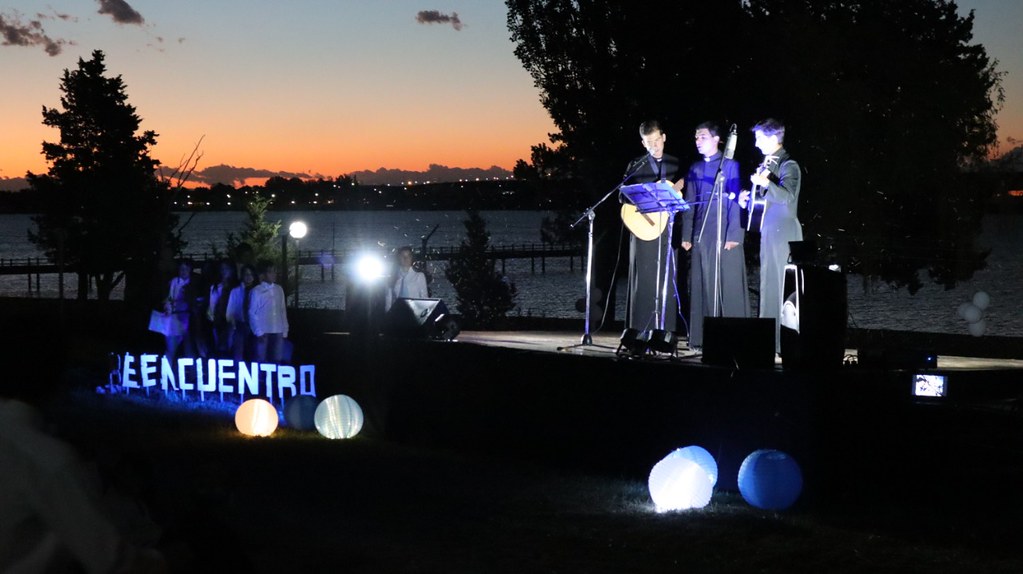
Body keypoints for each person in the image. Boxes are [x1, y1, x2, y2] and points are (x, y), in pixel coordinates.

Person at [680, 121, 750, 350]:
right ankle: (701, 339)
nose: (697, 141)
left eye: (702, 137)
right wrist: (687, 235)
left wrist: (734, 234)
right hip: (702, 233)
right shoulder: (695, 168)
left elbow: (736, 200)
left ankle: (732, 340)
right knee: (701, 284)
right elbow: (690, 204)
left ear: (717, 139)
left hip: (724, 231)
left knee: (725, 285)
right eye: (696, 137)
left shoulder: (730, 165)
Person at [739, 118, 803, 352]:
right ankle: (768, 342)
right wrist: (746, 200)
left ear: (774, 138)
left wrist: (765, 182)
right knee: (768, 285)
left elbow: (787, 197)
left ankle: (785, 343)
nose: (756, 144)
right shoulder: (766, 164)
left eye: (759, 138)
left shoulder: (789, 165)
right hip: (769, 231)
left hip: (784, 232)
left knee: (782, 287)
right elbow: (763, 202)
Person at [621, 120, 683, 333]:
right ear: (643, 143)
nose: (654, 146)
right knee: (645, 280)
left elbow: (686, 194)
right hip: (643, 228)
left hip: (668, 228)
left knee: (667, 279)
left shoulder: (676, 164)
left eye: (657, 140)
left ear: (664, 137)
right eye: (649, 143)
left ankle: (666, 331)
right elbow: (622, 195)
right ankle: (639, 331)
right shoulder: (636, 164)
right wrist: (644, 197)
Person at [248, 260, 289, 363]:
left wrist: (285, 330)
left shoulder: (279, 289)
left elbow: (282, 310)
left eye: (275, 271)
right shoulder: (256, 291)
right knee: (261, 361)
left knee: (277, 361)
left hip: (278, 331)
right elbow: (252, 312)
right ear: (263, 275)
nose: (274, 274)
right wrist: (258, 331)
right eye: (270, 272)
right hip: (263, 332)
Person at [163, 260, 196, 366]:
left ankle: (193, 372)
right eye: (181, 269)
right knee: (171, 347)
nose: (183, 271)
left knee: (189, 347)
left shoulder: (194, 282)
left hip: (188, 318)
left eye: (186, 269)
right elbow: (169, 298)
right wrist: (168, 309)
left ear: (190, 269)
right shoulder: (174, 282)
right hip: (174, 317)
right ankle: (167, 370)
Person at [226, 263, 257, 361]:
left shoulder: (257, 291)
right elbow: (230, 311)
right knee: (238, 351)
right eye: (246, 274)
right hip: (240, 324)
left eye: (251, 274)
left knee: (254, 352)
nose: (248, 277)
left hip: (255, 325)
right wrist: (233, 325)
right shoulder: (235, 291)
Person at [207, 260, 237, 358]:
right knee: (219, 344)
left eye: (226, 269)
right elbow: (212, 304)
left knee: (230, 343)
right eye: (222, 269)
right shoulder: (215, 287)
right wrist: (212, 318)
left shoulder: (236, 287)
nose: (224, 271)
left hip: (232, 320)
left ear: (231, 270)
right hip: (218, 319)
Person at [386, 246, 429, 311]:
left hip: (414, 312)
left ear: (411, 258)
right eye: (403, 256)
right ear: (399, 258)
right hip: (397, 312)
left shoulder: (419, 276)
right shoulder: (393, 277)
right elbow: (388, 300)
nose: (405, 258)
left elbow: (424, 298)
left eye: (408, 256)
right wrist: (388, 314)